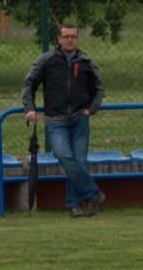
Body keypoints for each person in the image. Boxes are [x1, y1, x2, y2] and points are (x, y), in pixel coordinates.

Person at [22, 22, 106, 218]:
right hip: (55, 119)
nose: (70, 40)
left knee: (79, 161)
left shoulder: (86, 62)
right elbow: (28, 84)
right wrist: (29, 109)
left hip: (80, 118)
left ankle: (74, 206)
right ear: (59, 39)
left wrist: (90, 110)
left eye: (73, 36)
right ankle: (94, 194)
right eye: (66, 36)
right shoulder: (46, 60)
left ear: (78, 39)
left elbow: (98, 90)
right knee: (64, 155)